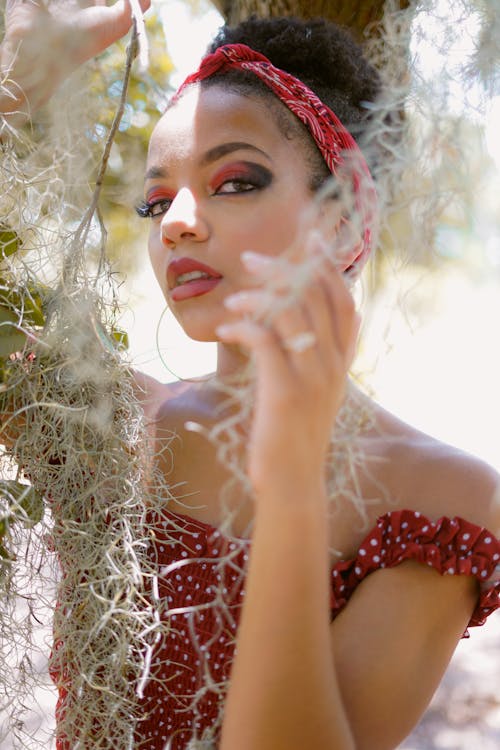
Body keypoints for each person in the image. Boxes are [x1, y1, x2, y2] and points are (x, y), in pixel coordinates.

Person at [1, 3, 499, 750]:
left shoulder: (441, 500)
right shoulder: (109, 420)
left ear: (345, 218)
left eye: (235, 180)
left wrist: (292, 478)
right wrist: (10, 87)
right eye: (156, 200)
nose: (175, 223)